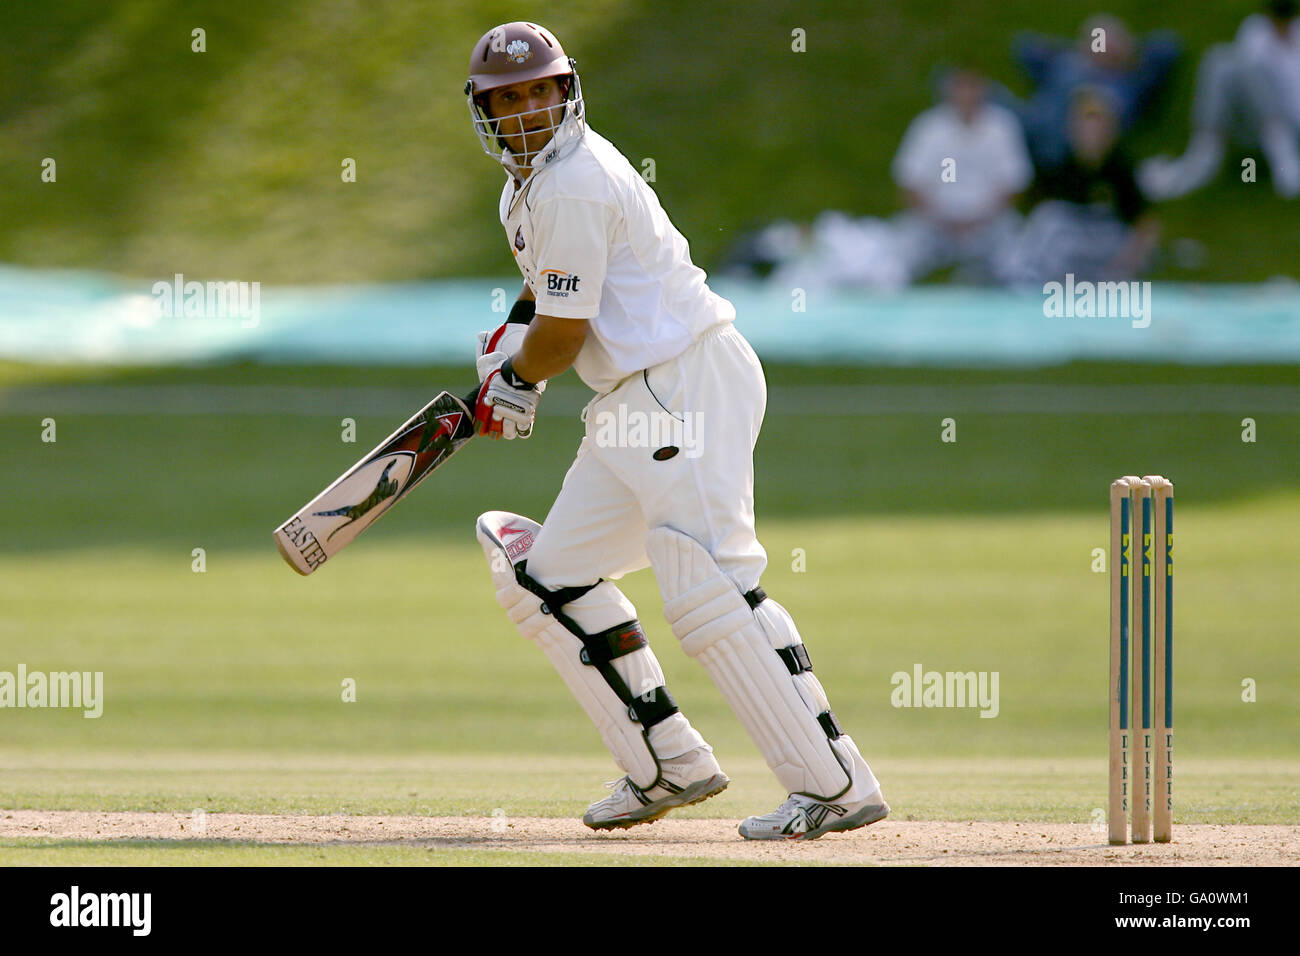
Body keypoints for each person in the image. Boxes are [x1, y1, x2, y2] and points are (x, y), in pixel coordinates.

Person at [463, 21, 888, 840]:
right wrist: (507, 350)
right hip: (630, 404)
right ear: (483, 110)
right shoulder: (526, 189)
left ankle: (835, 785)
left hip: (679, 382)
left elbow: (562, 336)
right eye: (505, 98)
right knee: (549, 578)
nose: (524, 110)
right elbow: (546, 299)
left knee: (706, 580)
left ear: (566, 91)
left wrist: (518, 379)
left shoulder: (575, 180)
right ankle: (669, 764)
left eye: (537, 92)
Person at [1139, 1, 1300, 199]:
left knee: (1238, 63)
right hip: (1257, 125)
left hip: (1293, 125)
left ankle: (1278, 150)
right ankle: (1204, 154)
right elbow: (1245, 82)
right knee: (1220, 59)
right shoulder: (1256, 30)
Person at [997, 88, 1159, 286]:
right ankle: (1021, 281)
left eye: (1099, 125)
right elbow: (1040, 216)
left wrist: (1125, 263)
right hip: (1069, 245)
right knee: (1048, 221)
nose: (1092, 133)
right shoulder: (1060, 165)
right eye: (1085, 125)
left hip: (1106, 245)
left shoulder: (1123, 169)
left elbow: (1145, 224)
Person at [891, 67, 1033, 283]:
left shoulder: (1002, 126)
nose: (967, 94)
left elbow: (1014, 184)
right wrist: (940, 219)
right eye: (961, 87)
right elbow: (910, 183)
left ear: (983, 90)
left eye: (972, 86)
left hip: (988, 224)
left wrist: (979, 220)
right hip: (936, 223)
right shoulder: (929, 126)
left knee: (1017, 254)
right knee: (901, 248)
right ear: (949, 90)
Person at [1004, 16, 1180, 170]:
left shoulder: (1129, 80)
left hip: (1073, 135)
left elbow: (1168, 46)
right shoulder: (1068, 62)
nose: (1105, 47)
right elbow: (1023, 46)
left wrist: (1129, 53)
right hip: (1039, 115)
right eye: (1099, 40)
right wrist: (1077, 53)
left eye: (1110, 40)